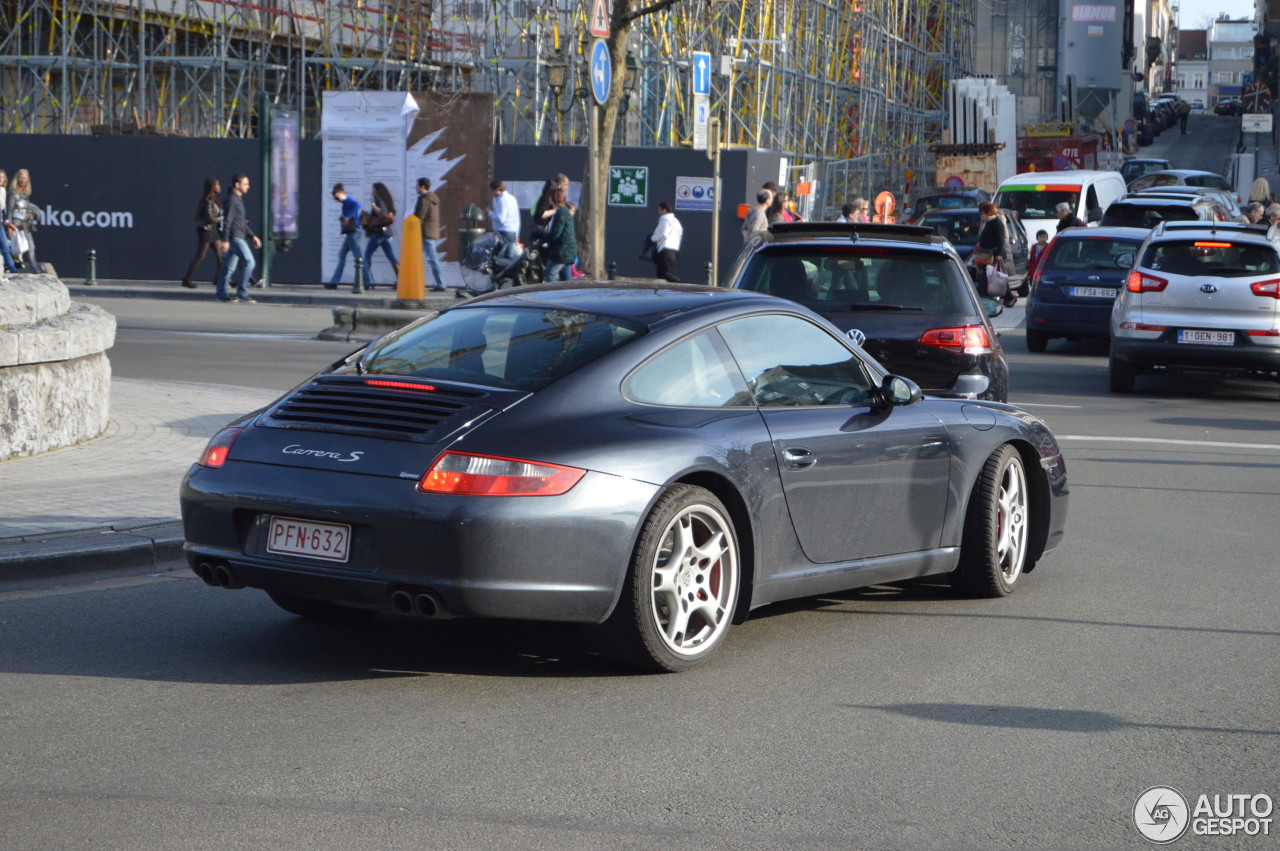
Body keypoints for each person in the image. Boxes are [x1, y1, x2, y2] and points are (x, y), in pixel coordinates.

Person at [214, 173, 261, 303]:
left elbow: (241, 222)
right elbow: (227, 221)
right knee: (250, 262)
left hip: (238, 235)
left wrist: (253, 236)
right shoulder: (232, 200)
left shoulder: (238, 200)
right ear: (237, 185)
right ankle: (242, 292)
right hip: (235, 237)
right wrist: (225, 240)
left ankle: (221, 294)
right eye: (245, 184)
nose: (248, 187)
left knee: (228, 267)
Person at [180, 178, 224, 288]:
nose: (219, 186)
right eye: (217, 184)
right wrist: (223, 218)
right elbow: (210, 219)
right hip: (206, 231)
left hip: (213, 231)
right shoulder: (207, 200)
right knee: (201, 256)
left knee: (220, 255)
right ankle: (187, 279)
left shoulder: (214, 200)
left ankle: (221, 279)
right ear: (212, 187)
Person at [974, 202, 1014, 305]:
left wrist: (999, 254)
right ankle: (1009, 297)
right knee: (994, 277)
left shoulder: (996, 223)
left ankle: (982, 299)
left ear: (988, 213)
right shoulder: (988, 223)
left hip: (994, 255)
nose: (981, 216)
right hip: (987, 255)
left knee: (989, 277)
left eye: (982, 213)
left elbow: (1001, 240)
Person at [361, 182, 399, 288]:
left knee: (367, 255)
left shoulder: (379, 201)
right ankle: (401, 281)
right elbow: (389, 215)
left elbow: (382, 214)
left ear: (377, 191)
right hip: (386, 233)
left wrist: (374, 206)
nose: (372, 192)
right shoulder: (387, 201)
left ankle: (367, 281)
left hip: (379, 233)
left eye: (373, 190)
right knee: (390, 256)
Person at [326, 183, 363, 289]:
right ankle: (334, 282)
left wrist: (347, 216)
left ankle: (366, 281)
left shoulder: (349, 200)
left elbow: (357, 205)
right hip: (350, 233)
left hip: (353, 231)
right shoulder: (345, 203)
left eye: (338, 197)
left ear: (342, 193)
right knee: (342, 255)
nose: (338, 200)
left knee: (358, 257)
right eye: (335, 199)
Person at [413, 177, 446, 292]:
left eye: (417, 185)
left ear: (422, 186)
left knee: (432, 258)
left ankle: (441, 284)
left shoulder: (424, 199)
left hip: (426, 232)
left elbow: (419, 217)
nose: (415, 187)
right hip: (430, 232)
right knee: (430, 258)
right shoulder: (432, 198)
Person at [5, 168, 41, 272]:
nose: (23, 180)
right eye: (21, 178)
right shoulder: (12, 193)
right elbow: (10, 211)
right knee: (16, 250)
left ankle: (36, 270)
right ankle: (11, 269)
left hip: (25, 225)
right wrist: (9, 226)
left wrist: (32, 215)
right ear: (17, 178)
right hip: (15, 225)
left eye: (25, 178)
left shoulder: (25, 194)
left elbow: (26, 208)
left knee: (31, 248)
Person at [542, 186, 577, 282]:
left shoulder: (560, 212)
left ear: (553, 198)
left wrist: (543, 238)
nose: (548, 198)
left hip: (561, 252)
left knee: (549, 275)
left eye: (550, 196)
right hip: (569, 251)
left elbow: (556, 233)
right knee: (566, 280)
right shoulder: (564, 210)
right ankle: (569, 296)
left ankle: (553, 297)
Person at [650, 200, 683, 282]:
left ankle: (680, 284)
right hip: (673, 249)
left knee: (662, 273)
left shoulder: (665, 220)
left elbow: (664, 234)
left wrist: (652, 238)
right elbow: (680, 232)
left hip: (665, 249)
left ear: (664, 210)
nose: (658, 212)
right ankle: (670, 289)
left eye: (659, 209)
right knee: (663, 272)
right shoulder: (676, 221)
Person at [489, 179, 520, 261]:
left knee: (497, 257)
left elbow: (500, 219)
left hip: (503, 232)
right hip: (512, 231)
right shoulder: (512, 198)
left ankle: (499, 272)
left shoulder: (502, 200)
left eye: (492, 190)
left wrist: (489, 212)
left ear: (497, 189)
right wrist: (517, 234)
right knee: (508, 257)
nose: (491, 193)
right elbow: (516, 218)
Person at [0, 170, 19, 274]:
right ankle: (13, 270)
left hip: (0, 224)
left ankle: (13, 270)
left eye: (2, 177)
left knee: (5, 248)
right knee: (5, 249)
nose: (1, 179)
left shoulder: (2, 190)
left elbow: (3, 210)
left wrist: (9, 224)